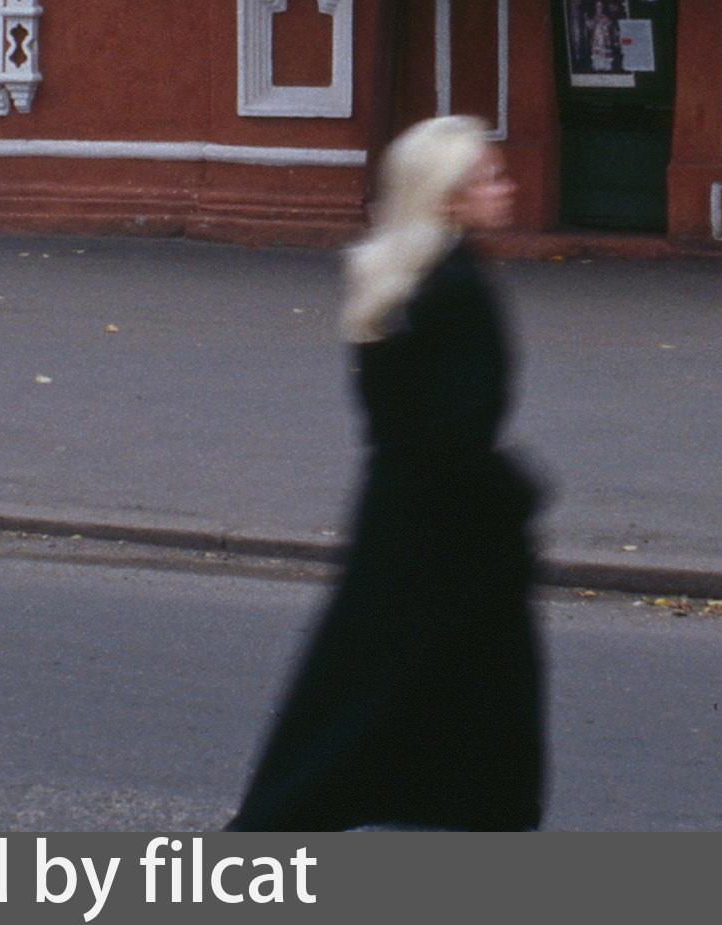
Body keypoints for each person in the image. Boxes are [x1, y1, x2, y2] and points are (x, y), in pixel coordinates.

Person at [233, 114, 546, 832]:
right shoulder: (456, 286)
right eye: (489, 177)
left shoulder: (395, 278)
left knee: (358, 700)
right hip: (450, 536)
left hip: (405, 522)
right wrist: (514, 491)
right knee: (381, 709)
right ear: (447, 197)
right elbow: (453, 433)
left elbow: (398, 422)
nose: (509, 186)